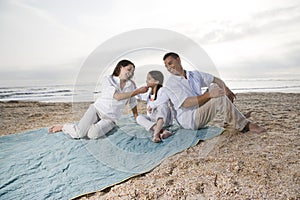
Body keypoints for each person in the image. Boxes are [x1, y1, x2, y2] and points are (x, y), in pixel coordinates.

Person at [159, 52, 266, 133]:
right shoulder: (171, 83)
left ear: (178, 60)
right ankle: (244, 125)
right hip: (189, 120)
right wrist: (209, 95)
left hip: (200, 109)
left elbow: (215, 79)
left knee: (216, 86)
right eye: (166, 66)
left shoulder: (193, 75)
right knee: (217, 97)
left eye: (170, 63)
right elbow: (185, 103)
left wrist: (226, 89)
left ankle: (231, 119)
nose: (169, 68)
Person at [48, 60, 149, 139]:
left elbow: (132, 101)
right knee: (79, 133)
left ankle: (88, 126)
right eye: (129, 69)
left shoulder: (131, 85)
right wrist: (138, 91)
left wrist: (136, 116)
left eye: (132, 71)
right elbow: (117, 96)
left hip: (111, 118)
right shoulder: (108, 79)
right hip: (97, 109)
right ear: (120, 67)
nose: (131, 73)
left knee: (92, 135)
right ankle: (63, 127)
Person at [136, 71, 173, 142]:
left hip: (163, 120)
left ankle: (156, 135)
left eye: (149, 79)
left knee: (162, 106)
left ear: (156, 81)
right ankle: (163, 131)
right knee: (139, 118)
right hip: (153, 120)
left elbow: (165, 98)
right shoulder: (149, 93)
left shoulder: (163, 90)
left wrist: (152, 105)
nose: (146, 80)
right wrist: (138, 91)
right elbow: (140, 97)